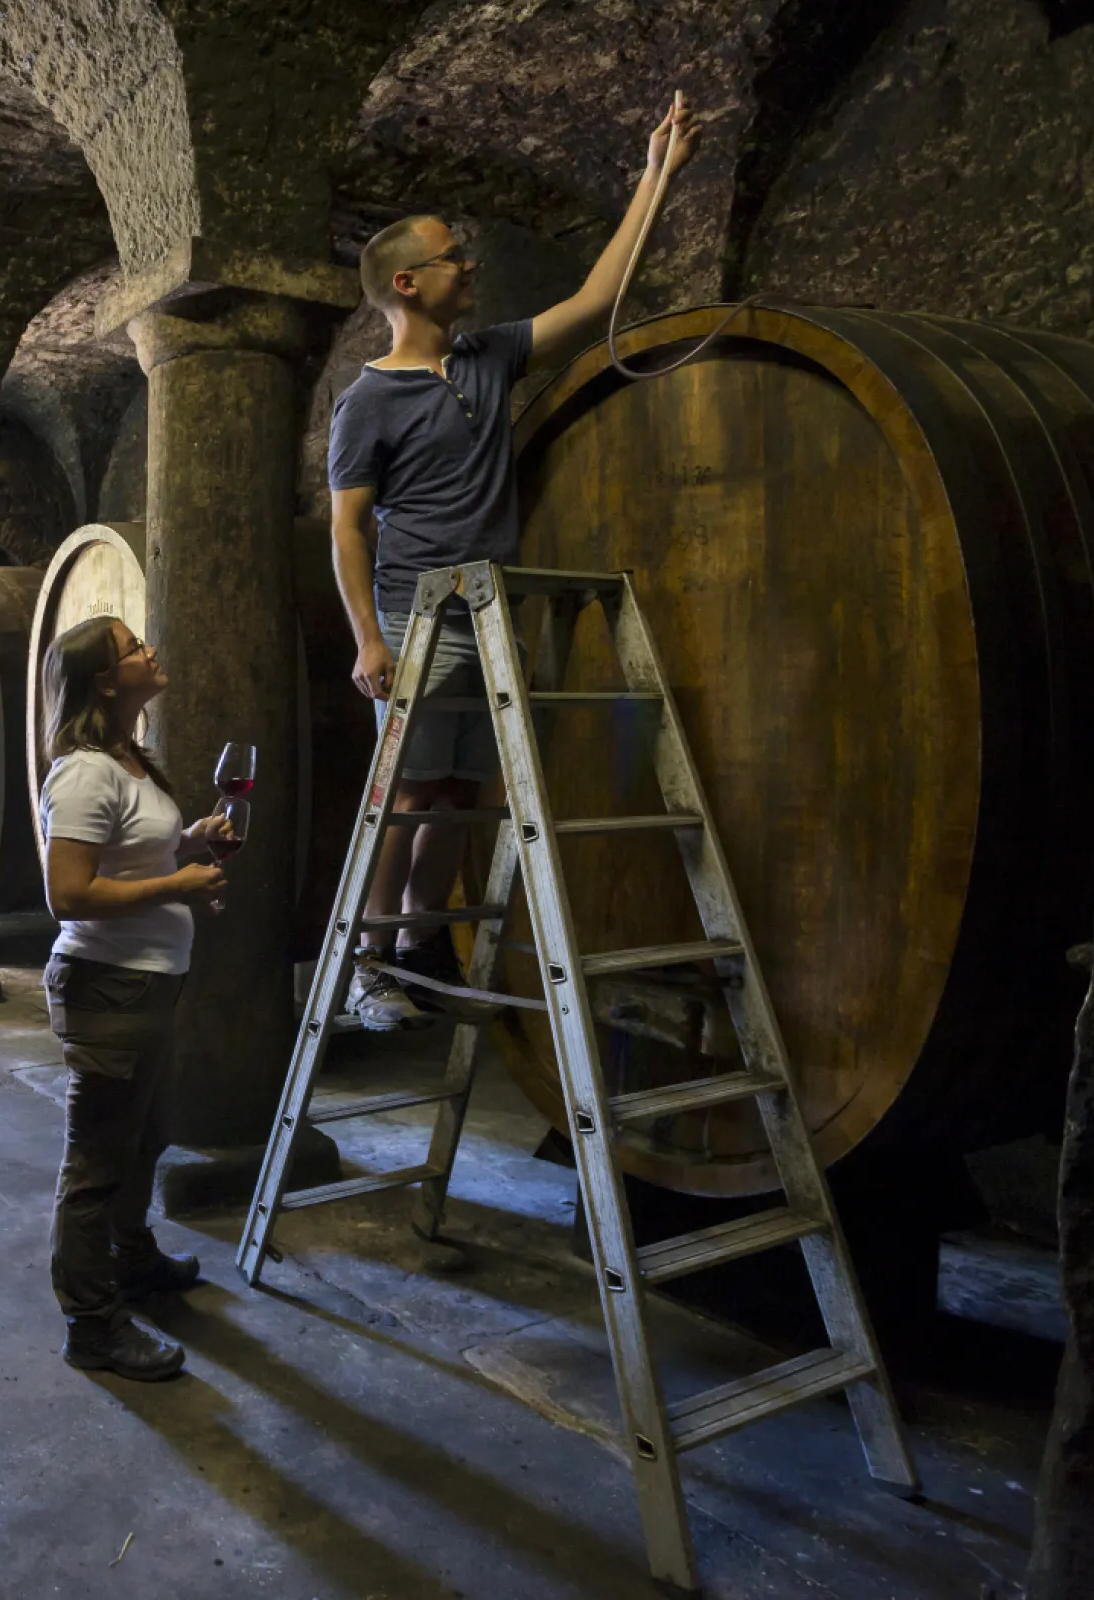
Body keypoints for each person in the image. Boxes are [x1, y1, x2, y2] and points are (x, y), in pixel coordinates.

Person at [326, 93, 701, 1030]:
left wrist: (655, 179)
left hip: (488, 611)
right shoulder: (365, 403)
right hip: (418, 615)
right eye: (452, 255)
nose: (469, 264)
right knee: (408, 793)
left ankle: (419, 945)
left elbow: (599, 300)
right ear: (408, 284)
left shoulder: (489, 357)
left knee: (460, 791)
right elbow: (348, 528)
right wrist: (368, 638)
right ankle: (369, 966)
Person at [37, 615, 235, 1381]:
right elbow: (70, 893)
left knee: (144, 1139)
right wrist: (179, 884)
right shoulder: (86, 770)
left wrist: (186, 845)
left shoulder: (129, 760)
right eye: (132, 647)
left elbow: (133, 853)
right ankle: (92, 1324)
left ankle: (132, 1260)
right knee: (96, 1162)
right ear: (106, 680)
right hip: (107, 985)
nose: (151, 649)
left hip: (147, 981)